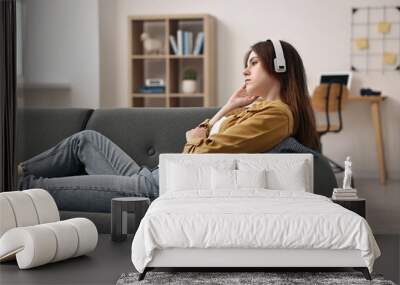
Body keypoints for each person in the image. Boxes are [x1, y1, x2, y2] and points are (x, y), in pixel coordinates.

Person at [18, 39, 320, 200]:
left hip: (157, 186)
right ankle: (12, 169)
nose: (245, 71)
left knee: (33, 186)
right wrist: (226, 108)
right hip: (155, 173)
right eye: (246, 64)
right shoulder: (250, 110)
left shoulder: (276, 115)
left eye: (254, 63)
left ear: (279, 67)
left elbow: (198, 153)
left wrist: (194, 139)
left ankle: (13, 184)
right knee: (86, 140)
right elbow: (198, 141)